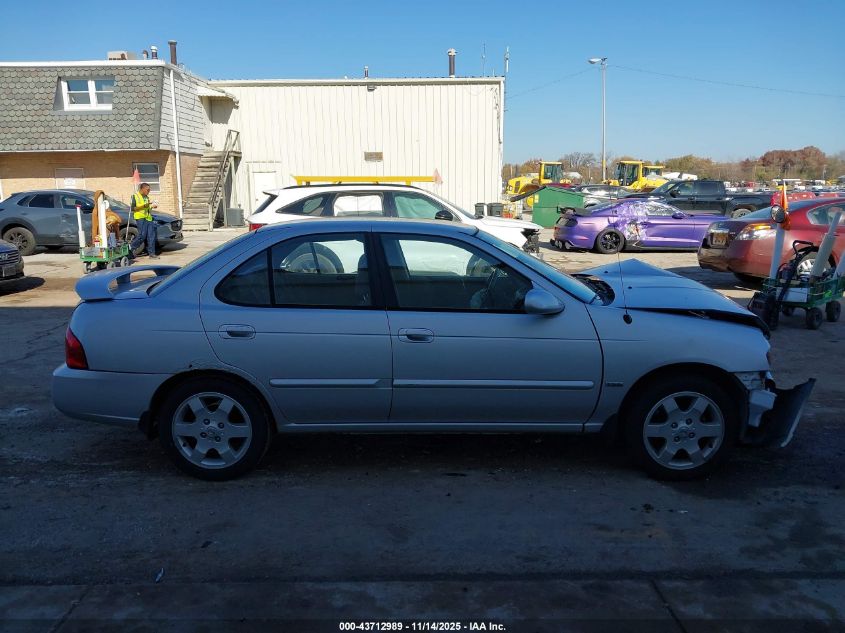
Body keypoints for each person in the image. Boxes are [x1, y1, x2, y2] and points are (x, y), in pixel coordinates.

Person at [129, 183, 159, 259]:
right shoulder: (135, 196)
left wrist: (152, 206)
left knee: (151, 236)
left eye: (149, 190)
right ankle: (130, 248)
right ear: (142, 189)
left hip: (148, 218)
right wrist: (145, 206)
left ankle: (152, 254)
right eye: (147, 189)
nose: (149, 191)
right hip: (140, 218)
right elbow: (133, 208)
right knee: (142, 236)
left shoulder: (147, 197)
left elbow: (147, 208)